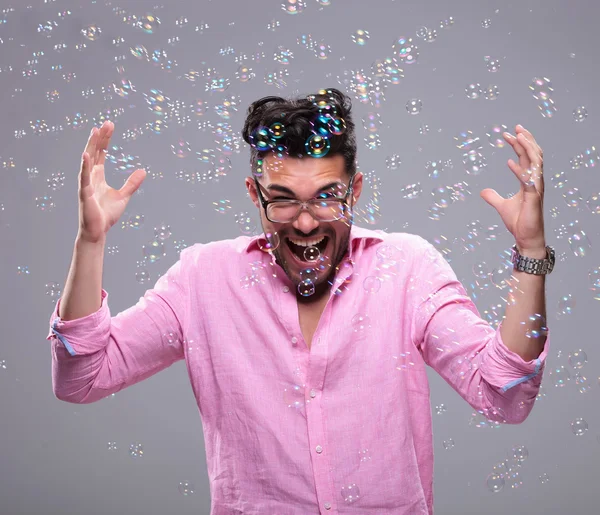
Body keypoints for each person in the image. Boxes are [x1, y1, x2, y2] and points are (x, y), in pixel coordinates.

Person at [47, 88, 550, 514]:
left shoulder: (408, 269)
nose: (306, 222)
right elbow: (82, 379)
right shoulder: (203, 278)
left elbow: (503, 394)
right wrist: (90, 242)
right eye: (283, 198)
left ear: (354, 190)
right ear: (253, 193)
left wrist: (529, 251)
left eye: (327, 196)